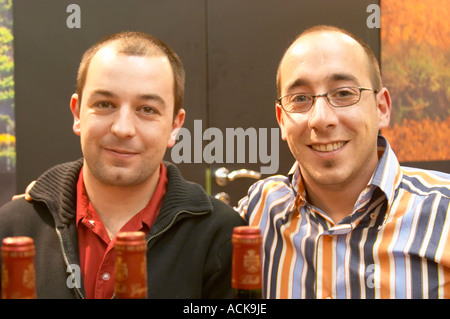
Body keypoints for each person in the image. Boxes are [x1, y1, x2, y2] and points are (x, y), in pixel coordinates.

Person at [0, 31, 245, 299]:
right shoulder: (13, 228)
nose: (123, 128)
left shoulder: (221, 238)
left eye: (147, 109)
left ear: (175, 126)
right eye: (105, 104)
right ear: (77, 113)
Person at [237, 25, 450, 299]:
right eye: (300, 99)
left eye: (344, 94)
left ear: (381, 108)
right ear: (281, 119)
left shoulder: (442, 212)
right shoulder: (258, 209)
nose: (321, 119)